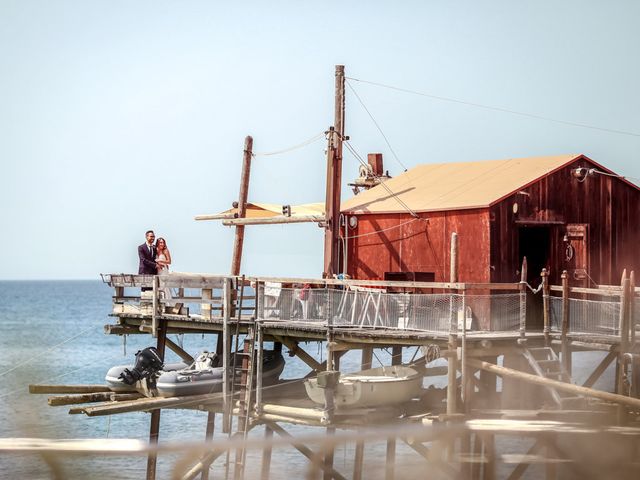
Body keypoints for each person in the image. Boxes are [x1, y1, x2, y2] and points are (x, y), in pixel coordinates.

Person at [155, 237, 173, 304]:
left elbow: (169, 261)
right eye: (160, 242)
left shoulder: (165, 251)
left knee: (165, 286)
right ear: (157, 243)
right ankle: (160, 304)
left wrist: (160, 260)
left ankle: (168, 304)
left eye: (163, 242)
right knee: (158, 287)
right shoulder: (155, 250)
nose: (162, 244)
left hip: (163, 271)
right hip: (157, 271)